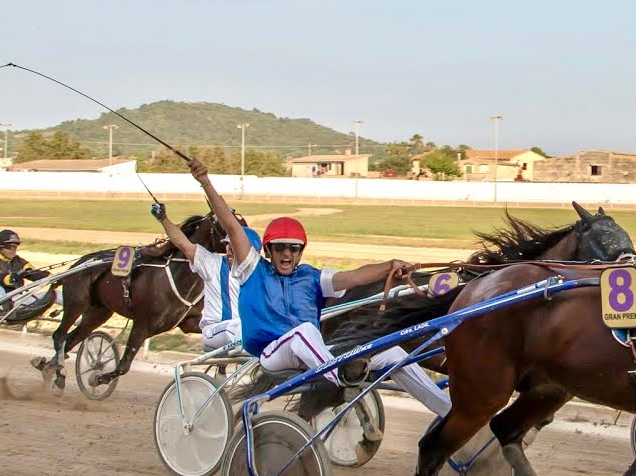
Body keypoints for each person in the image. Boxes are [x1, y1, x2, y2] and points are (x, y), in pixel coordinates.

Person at [183, 159, 452, 416]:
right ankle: (341, 378)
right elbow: (231, 227)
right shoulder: (253, 269)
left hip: (315, 356)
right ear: (268, 250)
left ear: (300, 252)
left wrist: (389, 265)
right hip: (273, 354)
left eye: (293, 248)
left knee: (392, 352)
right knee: (305, 332)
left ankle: (448, 411)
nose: (286, 254)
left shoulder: (313, 277)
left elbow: (354, 277)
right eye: (280, 248)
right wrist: (205, 181)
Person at [149, 204, 259, 351]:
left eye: (235, 249)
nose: (230, 252)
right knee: (240, 327)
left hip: (239, 334)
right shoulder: (212, 264)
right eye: (228, 247)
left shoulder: (258, 272)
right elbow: (183, 244)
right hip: (215, 332)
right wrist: (163, 219)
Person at [0, 229, 50, 312]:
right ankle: (2, 309)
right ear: (0, 246)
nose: (13, 250)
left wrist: (53, 277)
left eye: (15, 247)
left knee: (56, 294)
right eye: (9, 247)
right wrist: (10, 279)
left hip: (15, 301)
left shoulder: (19, 261)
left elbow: (35, 273)